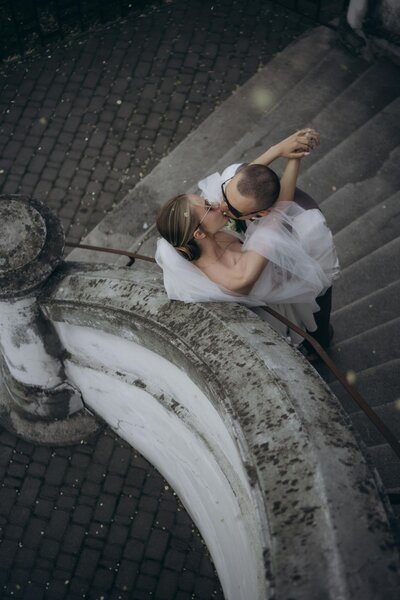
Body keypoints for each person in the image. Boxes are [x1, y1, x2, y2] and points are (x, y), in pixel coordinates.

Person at [155, 130, 339, 357]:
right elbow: (279, 210)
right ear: (199, 234)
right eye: (209, 207)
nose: (218, 203)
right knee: (312, 321)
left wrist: (278, 149)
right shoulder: (240, 274)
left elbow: (242, 188)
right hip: (277, 301)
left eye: (206, 200)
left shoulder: (190, 238)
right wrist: (295, 156)